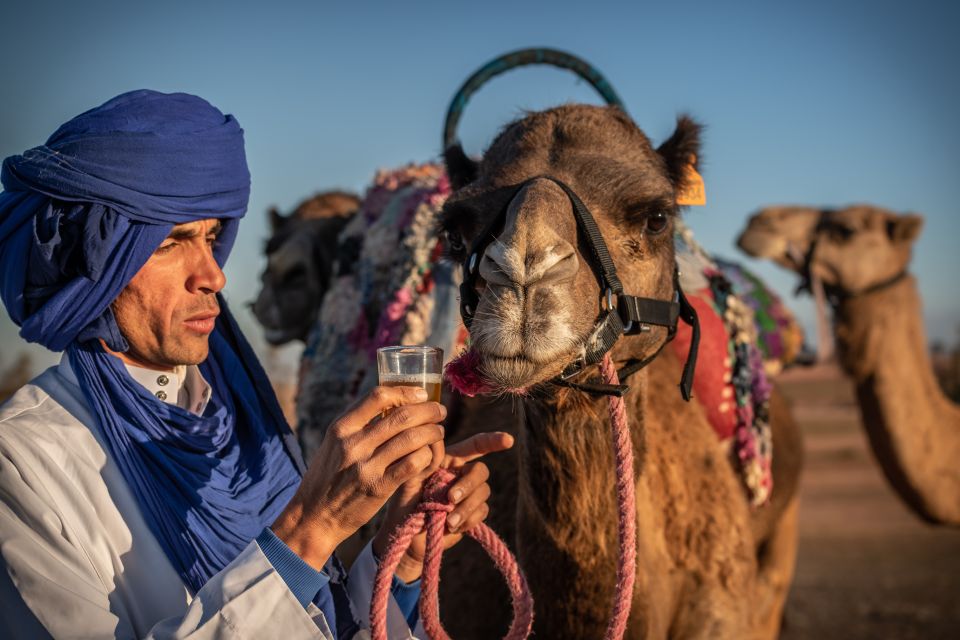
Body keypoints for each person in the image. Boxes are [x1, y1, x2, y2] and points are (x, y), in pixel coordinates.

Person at [0, 90, 512, 639]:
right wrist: (309, 530)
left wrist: (397, 558)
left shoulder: (245, 422)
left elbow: (314, 622)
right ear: (95, 263)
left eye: (212, 238)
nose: (214, 275)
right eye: (173, 242)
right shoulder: (25, 465)